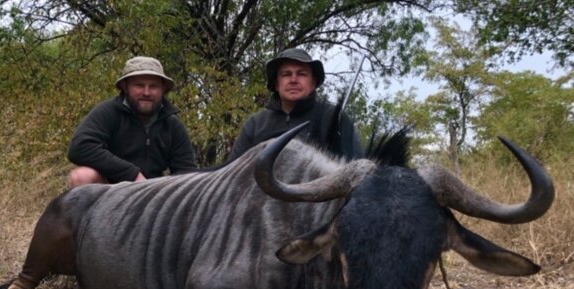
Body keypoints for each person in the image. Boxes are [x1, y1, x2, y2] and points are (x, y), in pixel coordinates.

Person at [68, 56, 197, 187]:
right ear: (125, 87)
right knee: (82, 176)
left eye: (153, 86)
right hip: (109, 192)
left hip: (154, 193)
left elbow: (186, 171)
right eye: (139, 85)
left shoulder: (172, 125)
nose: (146, 92)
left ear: (163, 89)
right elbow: (80, 147)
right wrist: (133, 175)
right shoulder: (107, 112)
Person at [228, 48, 362, 162]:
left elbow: (358, 175)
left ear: (313, 82)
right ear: (276, 84)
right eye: (286, 74)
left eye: (301, 74)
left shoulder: (335, 119)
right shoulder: (255, 125)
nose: (293, 80)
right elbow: (231, 176)